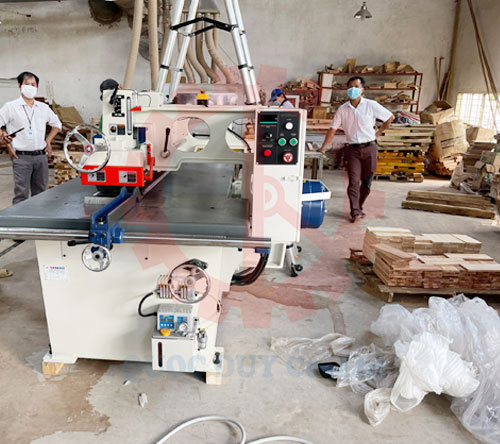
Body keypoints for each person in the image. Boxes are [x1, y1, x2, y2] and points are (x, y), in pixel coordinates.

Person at [320, 76, 394, 223]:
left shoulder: (371, 105)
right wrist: (324, 147)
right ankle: (355, 211)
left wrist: (378, 133)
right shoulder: (342, 109)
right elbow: (332, 129)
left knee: (367, 183)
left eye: (356, 86)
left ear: (362, 90)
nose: (353, 89)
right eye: (350, 86)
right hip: (353, 150)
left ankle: (359, 206)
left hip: (370, 148)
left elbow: (389, 117)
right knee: (353, 181)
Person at [0, 72, 61, 205]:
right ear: (19, 86)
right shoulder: (10, 107)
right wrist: (7, 145)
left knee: (41, 193)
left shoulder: (43, 108)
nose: (30, 87)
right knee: (21, 194)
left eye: (33, 84)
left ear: (37, 87)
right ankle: (18, 218)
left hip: (41, 156)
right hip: (21, 157)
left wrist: (48, 140)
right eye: (26, 84)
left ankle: (38, 217)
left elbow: (57, 124)